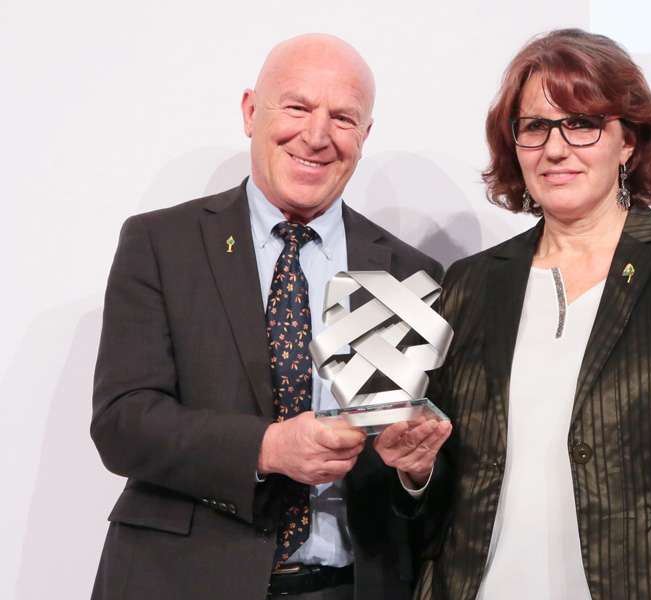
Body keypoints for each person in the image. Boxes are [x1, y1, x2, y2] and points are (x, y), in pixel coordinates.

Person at [415, 29, 651, 600]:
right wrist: (415, 475)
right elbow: (440, 484)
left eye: (581, 122)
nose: (556, 148)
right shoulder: (471, 283)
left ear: (628, 139)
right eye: (535, 126)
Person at [90, 33, 451, 600]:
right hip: (180, 580)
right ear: (251, 112)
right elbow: (122, 422)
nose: (316, 135)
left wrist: (415, 472)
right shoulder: (162, 244)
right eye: (298, 107)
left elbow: (414, 485)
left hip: (350, 587)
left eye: (342, 118)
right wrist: (267, 447)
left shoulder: (408, 273)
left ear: (364, 136)